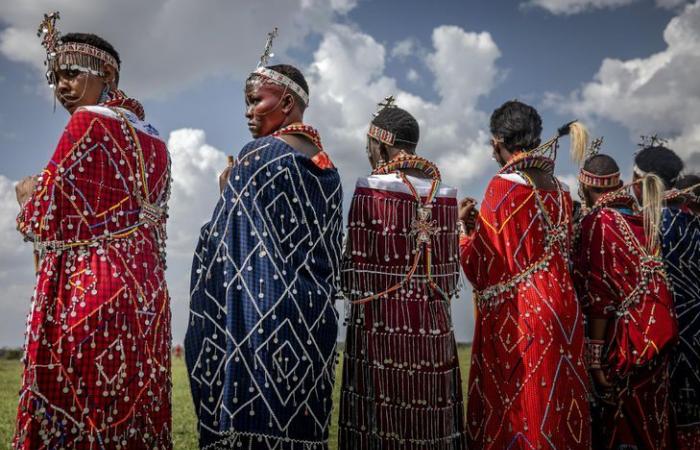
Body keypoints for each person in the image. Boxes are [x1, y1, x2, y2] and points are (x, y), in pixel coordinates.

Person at [13, 12, 172, 449]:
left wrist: (27, 198)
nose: (62, 86)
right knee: (130, 407)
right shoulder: (154, 136)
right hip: (147, 292)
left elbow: (42, 215)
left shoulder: (88, 122)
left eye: (70, 74)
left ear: (107, 73)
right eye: (56, 78)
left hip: (90, 287)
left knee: (79, 406)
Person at [184, 30, 343, 449]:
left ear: (287, 104)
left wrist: (226, 197)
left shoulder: (257, 157)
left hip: (260, 324)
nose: (248, 112)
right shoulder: (329, 170)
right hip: (313, 322)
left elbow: (221, 247)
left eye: (256, 101)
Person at [458, 100, 591, 449]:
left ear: (498, 141)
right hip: (564, 307)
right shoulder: (560, 189)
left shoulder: (503, 185)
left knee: (526, 411)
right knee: (559, 412)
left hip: (523, 314)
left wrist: (463, 233)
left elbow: (481, 267)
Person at [338, 101, 467, 450]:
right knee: (431, 417)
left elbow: (353, 274)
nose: (368, 153)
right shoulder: (444, 195)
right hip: (435, 326)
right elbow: (450, 273)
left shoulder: (370, 188)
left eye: (369, 146)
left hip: (381, 325)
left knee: (381, 421)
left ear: (380, 144)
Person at [572, 152, 677, 449]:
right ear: (619, 183)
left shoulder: (598, 222)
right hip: (655, 337)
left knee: (623, 427)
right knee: (653, 423)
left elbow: (599, 297)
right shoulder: (644, 219)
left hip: (622, 346)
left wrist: (594, 362)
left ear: (585, 188)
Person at [637, 147, 700, 449]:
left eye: (635, 179)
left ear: (645, 183)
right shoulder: (693, 221)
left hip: (665, 344)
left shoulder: (647, 229)